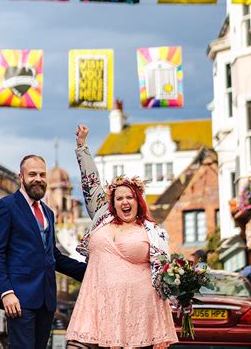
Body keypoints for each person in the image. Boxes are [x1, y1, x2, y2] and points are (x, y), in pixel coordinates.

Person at [66, 124, 178, 349]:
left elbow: (166, 273)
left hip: (139, 312)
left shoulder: (153, 232)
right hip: (98, 306)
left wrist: (180, 296)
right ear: (112, 203)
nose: (124, 202)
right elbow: (91, 182)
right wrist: (82, 147)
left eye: (130, 197)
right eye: (119, 198)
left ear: (138, 201)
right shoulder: (102, 216)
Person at [0, 153, 86, 349]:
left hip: (46, 300)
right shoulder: (6, 206)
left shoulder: (48, 212)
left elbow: (53, 256)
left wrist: (90, 271)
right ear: (21, 176)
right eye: (32, 174)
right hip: (19, 298)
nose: (38, 179)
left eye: (42, 174)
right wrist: (6, 292)